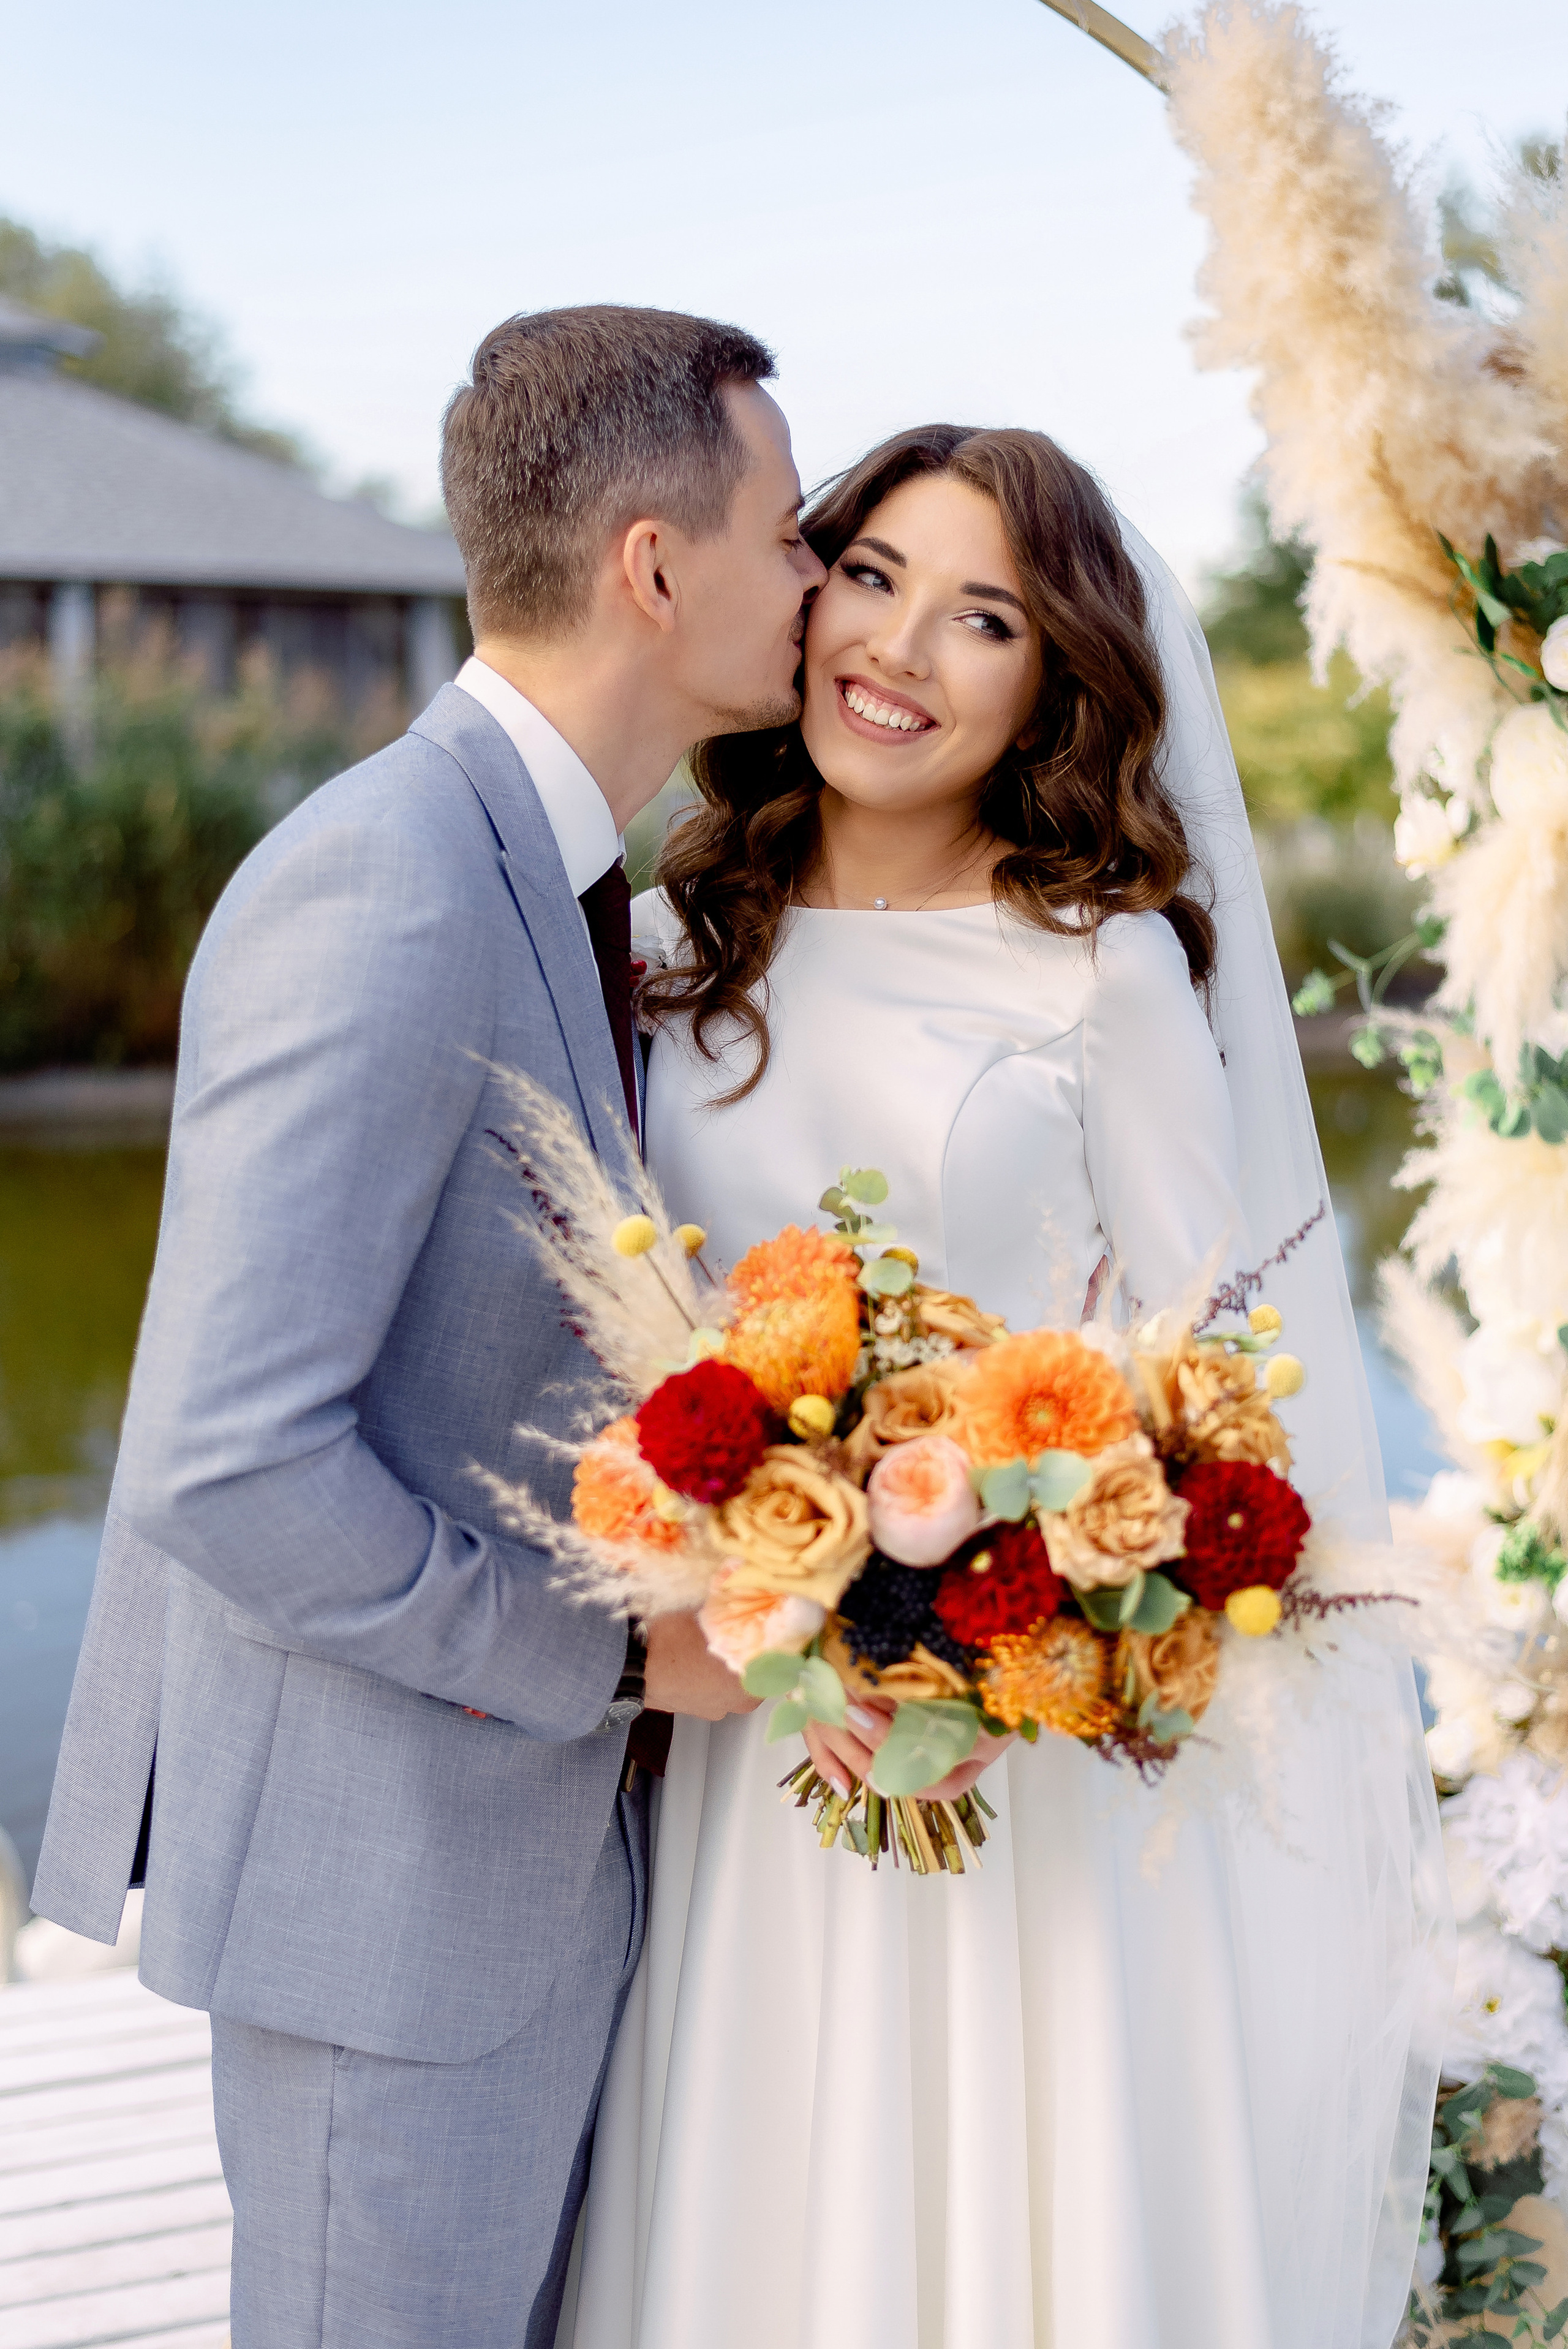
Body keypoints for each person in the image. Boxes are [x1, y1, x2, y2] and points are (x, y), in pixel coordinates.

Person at [559, 426, 1450, 2349]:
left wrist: (1015, 1643)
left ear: (1054, 683)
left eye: (987, 619)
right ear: (800, 590)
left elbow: (1230, 1411)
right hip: (747, 1747)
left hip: (1010, 1755)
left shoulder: (1101, 971)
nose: (899, 649)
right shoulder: (658, 951)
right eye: (870, 575)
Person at [31, 304, 825, 2349]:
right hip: (382, 1910)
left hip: (520, 1886)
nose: (821, 584)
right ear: (658, 566)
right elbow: (225, 1454)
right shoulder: (390, 878)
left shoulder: (560, 875)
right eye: (796, 532)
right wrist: (604, 1649)